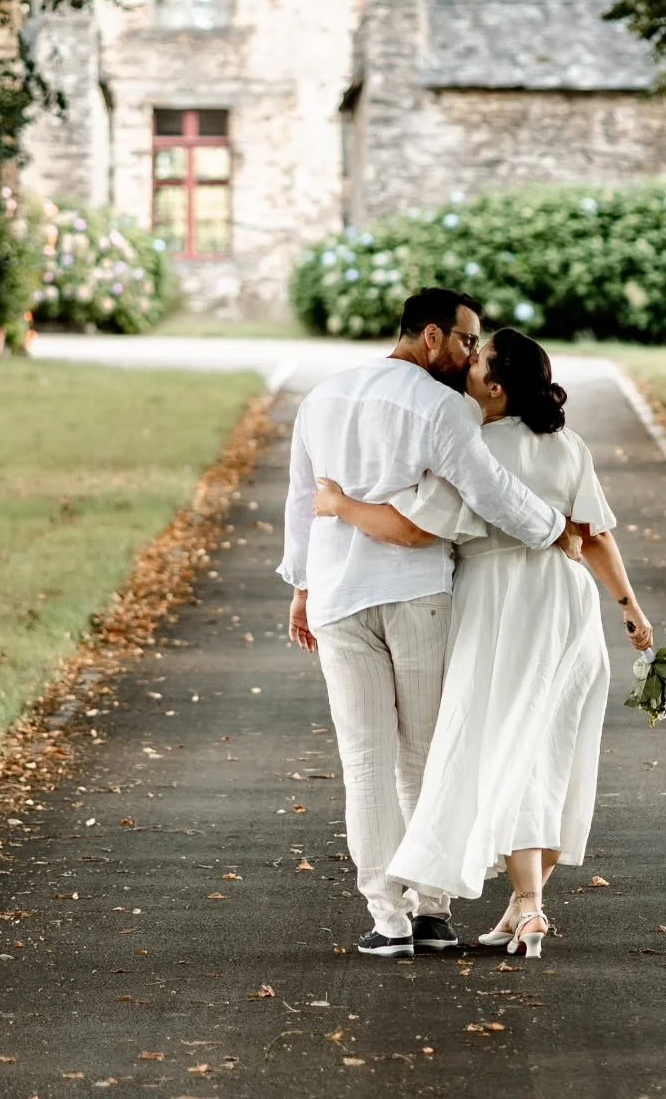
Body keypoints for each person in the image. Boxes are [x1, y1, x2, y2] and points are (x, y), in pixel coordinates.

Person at [312, 327, 652, 959]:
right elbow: (594, 536)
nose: (467, 363)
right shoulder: (567, 445)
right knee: (553, 744)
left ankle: (528, 903)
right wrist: (630, 610)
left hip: (500, 602)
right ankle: (523, 905)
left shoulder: (472, 449)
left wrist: (339, 505)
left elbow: (414, 529)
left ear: (494, 387)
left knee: (505, 741)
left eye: (479, 359)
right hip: (568, 598)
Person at [279, 287, 580, 960]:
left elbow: (302, 498)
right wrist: (552, 529)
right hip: (415, 592)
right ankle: (433, 911)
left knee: (365, 761)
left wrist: (301, 586)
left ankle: (387, 918)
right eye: (468, 340)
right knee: (425, 753)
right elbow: (489, 488)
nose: (473, 354)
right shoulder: (443, 407)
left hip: (337, 596)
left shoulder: (322, 397)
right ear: (433, 336)